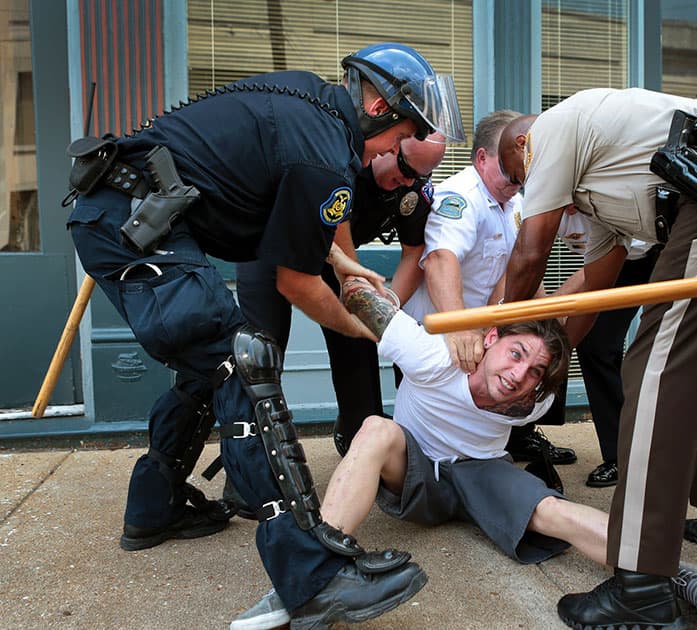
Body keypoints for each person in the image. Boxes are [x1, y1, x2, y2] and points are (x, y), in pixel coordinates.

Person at [65, 42, 464, 626]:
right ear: (378, 105)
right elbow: (297, 284)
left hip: (126, 214)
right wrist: (366, 329)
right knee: (242, 366)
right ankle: (312, 576)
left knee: (211, 365)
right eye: (406, 135)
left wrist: (351, 269)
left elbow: (296, 220)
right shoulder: (326, 151)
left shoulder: (311, 106)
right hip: (135, 221)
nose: (396, 151)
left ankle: (155, 509)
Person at [233, 275, 697, 630]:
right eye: (516, 354)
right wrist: (362, 278)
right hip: (414, 473)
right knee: (374, 428)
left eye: (534, 372)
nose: (519, 376)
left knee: (552, 511)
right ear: (490, 338)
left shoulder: (532, 397)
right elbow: (360, 297)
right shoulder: (433, 353)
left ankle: (672, 574)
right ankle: (310, 574)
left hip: (481, 472)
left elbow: (568, 312)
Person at [497, 89, 697, 627]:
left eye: (520, 179)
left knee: (652, 365)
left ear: (524, 143)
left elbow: (530, 251)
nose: (527, 192)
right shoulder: (602, 188)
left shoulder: (554, 131)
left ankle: (642, 582)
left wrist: (501, 333)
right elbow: (597, 287)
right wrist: (552, 364)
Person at [232, 133, 446, 462]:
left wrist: (388, 301)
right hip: (271, 250)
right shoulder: (340, 162)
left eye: (419, 175)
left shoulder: (412, 187)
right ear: (390, 146)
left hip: (335, 260)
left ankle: (362, 440)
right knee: (261, 351)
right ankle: (251, 466)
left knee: (359, 338)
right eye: (404, 167)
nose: (406, 180)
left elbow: (414, 251)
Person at [401, 109, 576, 466]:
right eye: (510, 166)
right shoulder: (459, 196)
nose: (519, 177)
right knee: (435, 437)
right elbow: (440, 259)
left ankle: (520, 441)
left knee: (524, 373)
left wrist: (540, 322)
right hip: (438, 334)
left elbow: (518, 267)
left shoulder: (514, 202)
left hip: (482, 333)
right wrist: (459, 326)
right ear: (482, 158)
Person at [544, 207, 660, 487]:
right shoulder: (544, 206)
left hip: (662, 251)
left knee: (663, 349)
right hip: (621, 262)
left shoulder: (601, 199)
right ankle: (621, 457)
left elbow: (599, 269)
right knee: (594, 345)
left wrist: (558, 304)